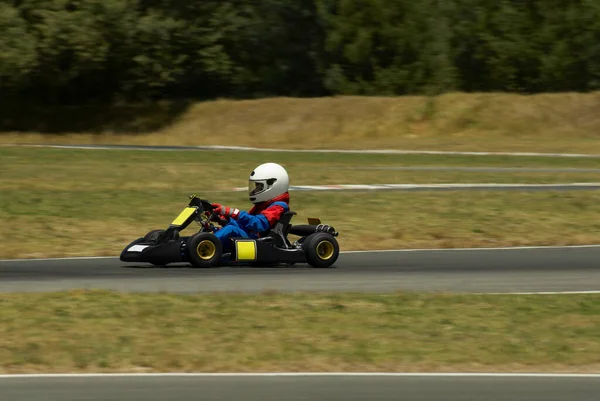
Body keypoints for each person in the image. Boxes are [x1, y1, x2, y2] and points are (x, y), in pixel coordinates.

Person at [210, 162, 290, 251]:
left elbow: (259, 224)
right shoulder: (263, 205)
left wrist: (233, 212)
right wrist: (224, 218)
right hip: (252, 235)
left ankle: (206, 245)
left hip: (261, 243)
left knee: (231, 229)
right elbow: (245, 224)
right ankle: (199, 243)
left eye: (259, 187)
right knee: (216, 228)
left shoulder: (278, 207)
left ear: (272, 186)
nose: (254, 191)